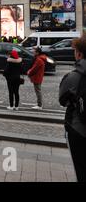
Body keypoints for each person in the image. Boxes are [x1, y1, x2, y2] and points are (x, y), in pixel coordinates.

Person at [59, 34, 86, 182]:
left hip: (79, 129)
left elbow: (62, 100)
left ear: (79, 54)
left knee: (81, 168)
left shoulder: (73, 77)